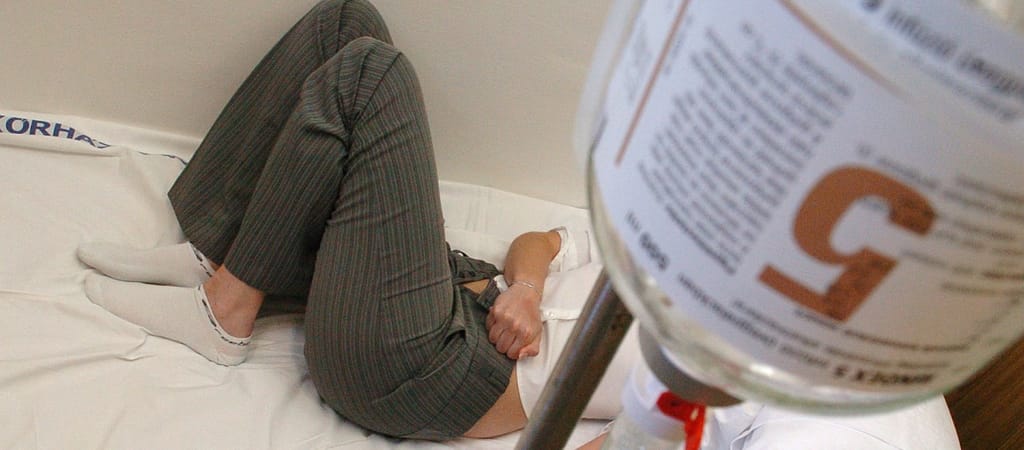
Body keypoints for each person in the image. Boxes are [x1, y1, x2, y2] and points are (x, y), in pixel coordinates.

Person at [74, 0, 632, 441]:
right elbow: (542, 242)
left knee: (370, 75)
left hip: (435, 372)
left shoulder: (691, 389)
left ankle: (225, 312)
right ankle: (217, 255)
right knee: (345, 21)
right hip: (449, 289)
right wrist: (528, 291)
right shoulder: (667, 258)